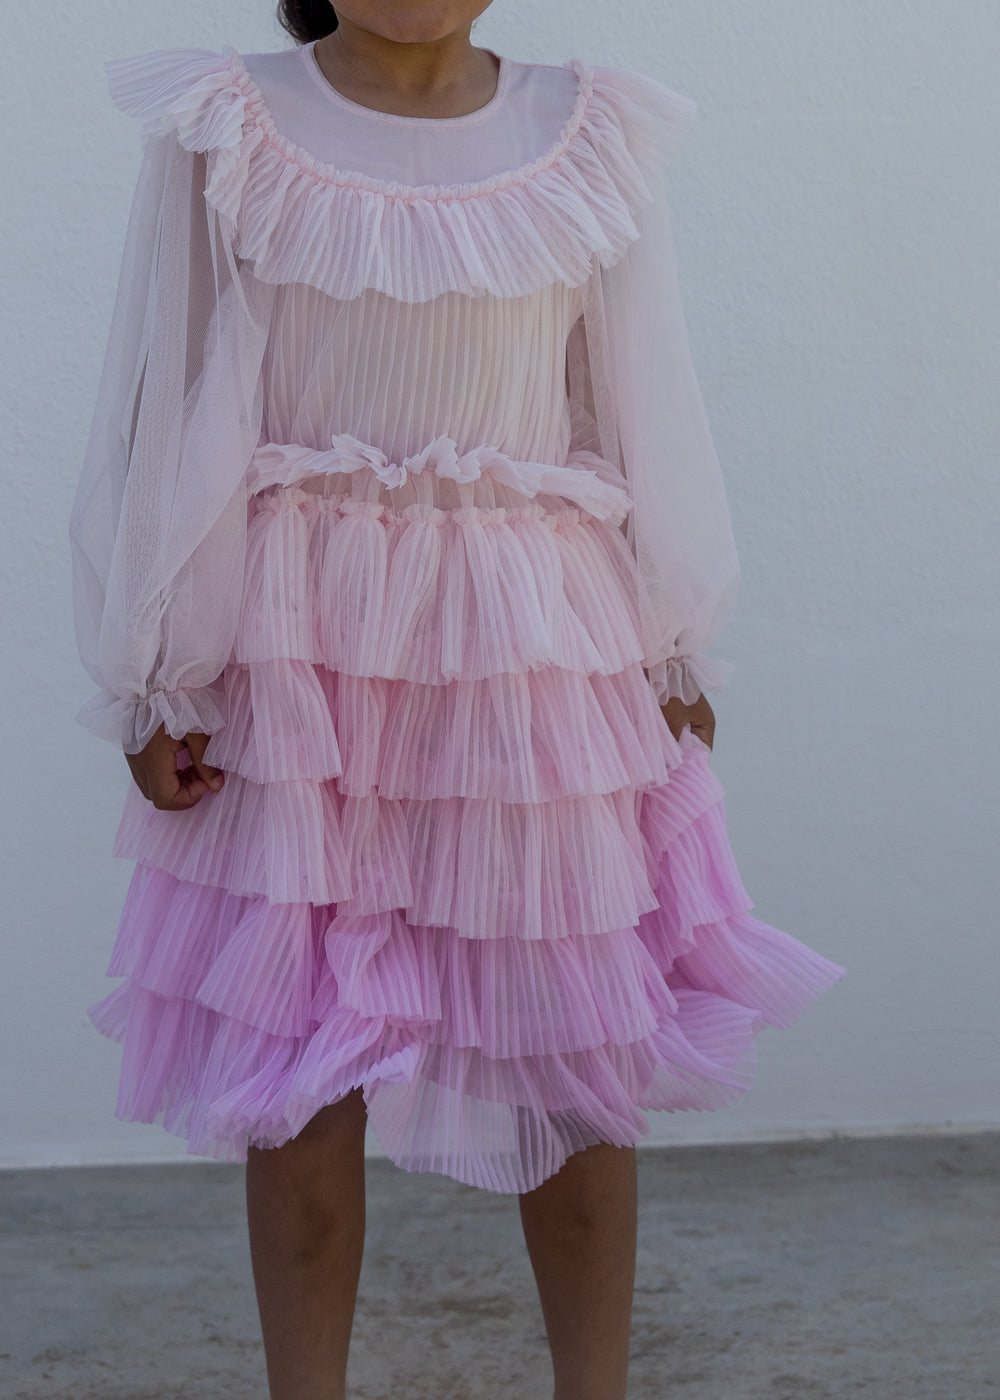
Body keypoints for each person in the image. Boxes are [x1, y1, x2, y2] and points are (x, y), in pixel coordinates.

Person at [68, 3, 846, 1397]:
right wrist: (157, 669)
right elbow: (168, 392)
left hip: (532, 649)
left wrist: (671, 644)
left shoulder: (589, 129)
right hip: (297, 647)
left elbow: (638, 397)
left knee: (579, 1058)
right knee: (298, 1074)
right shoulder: (228, 124)